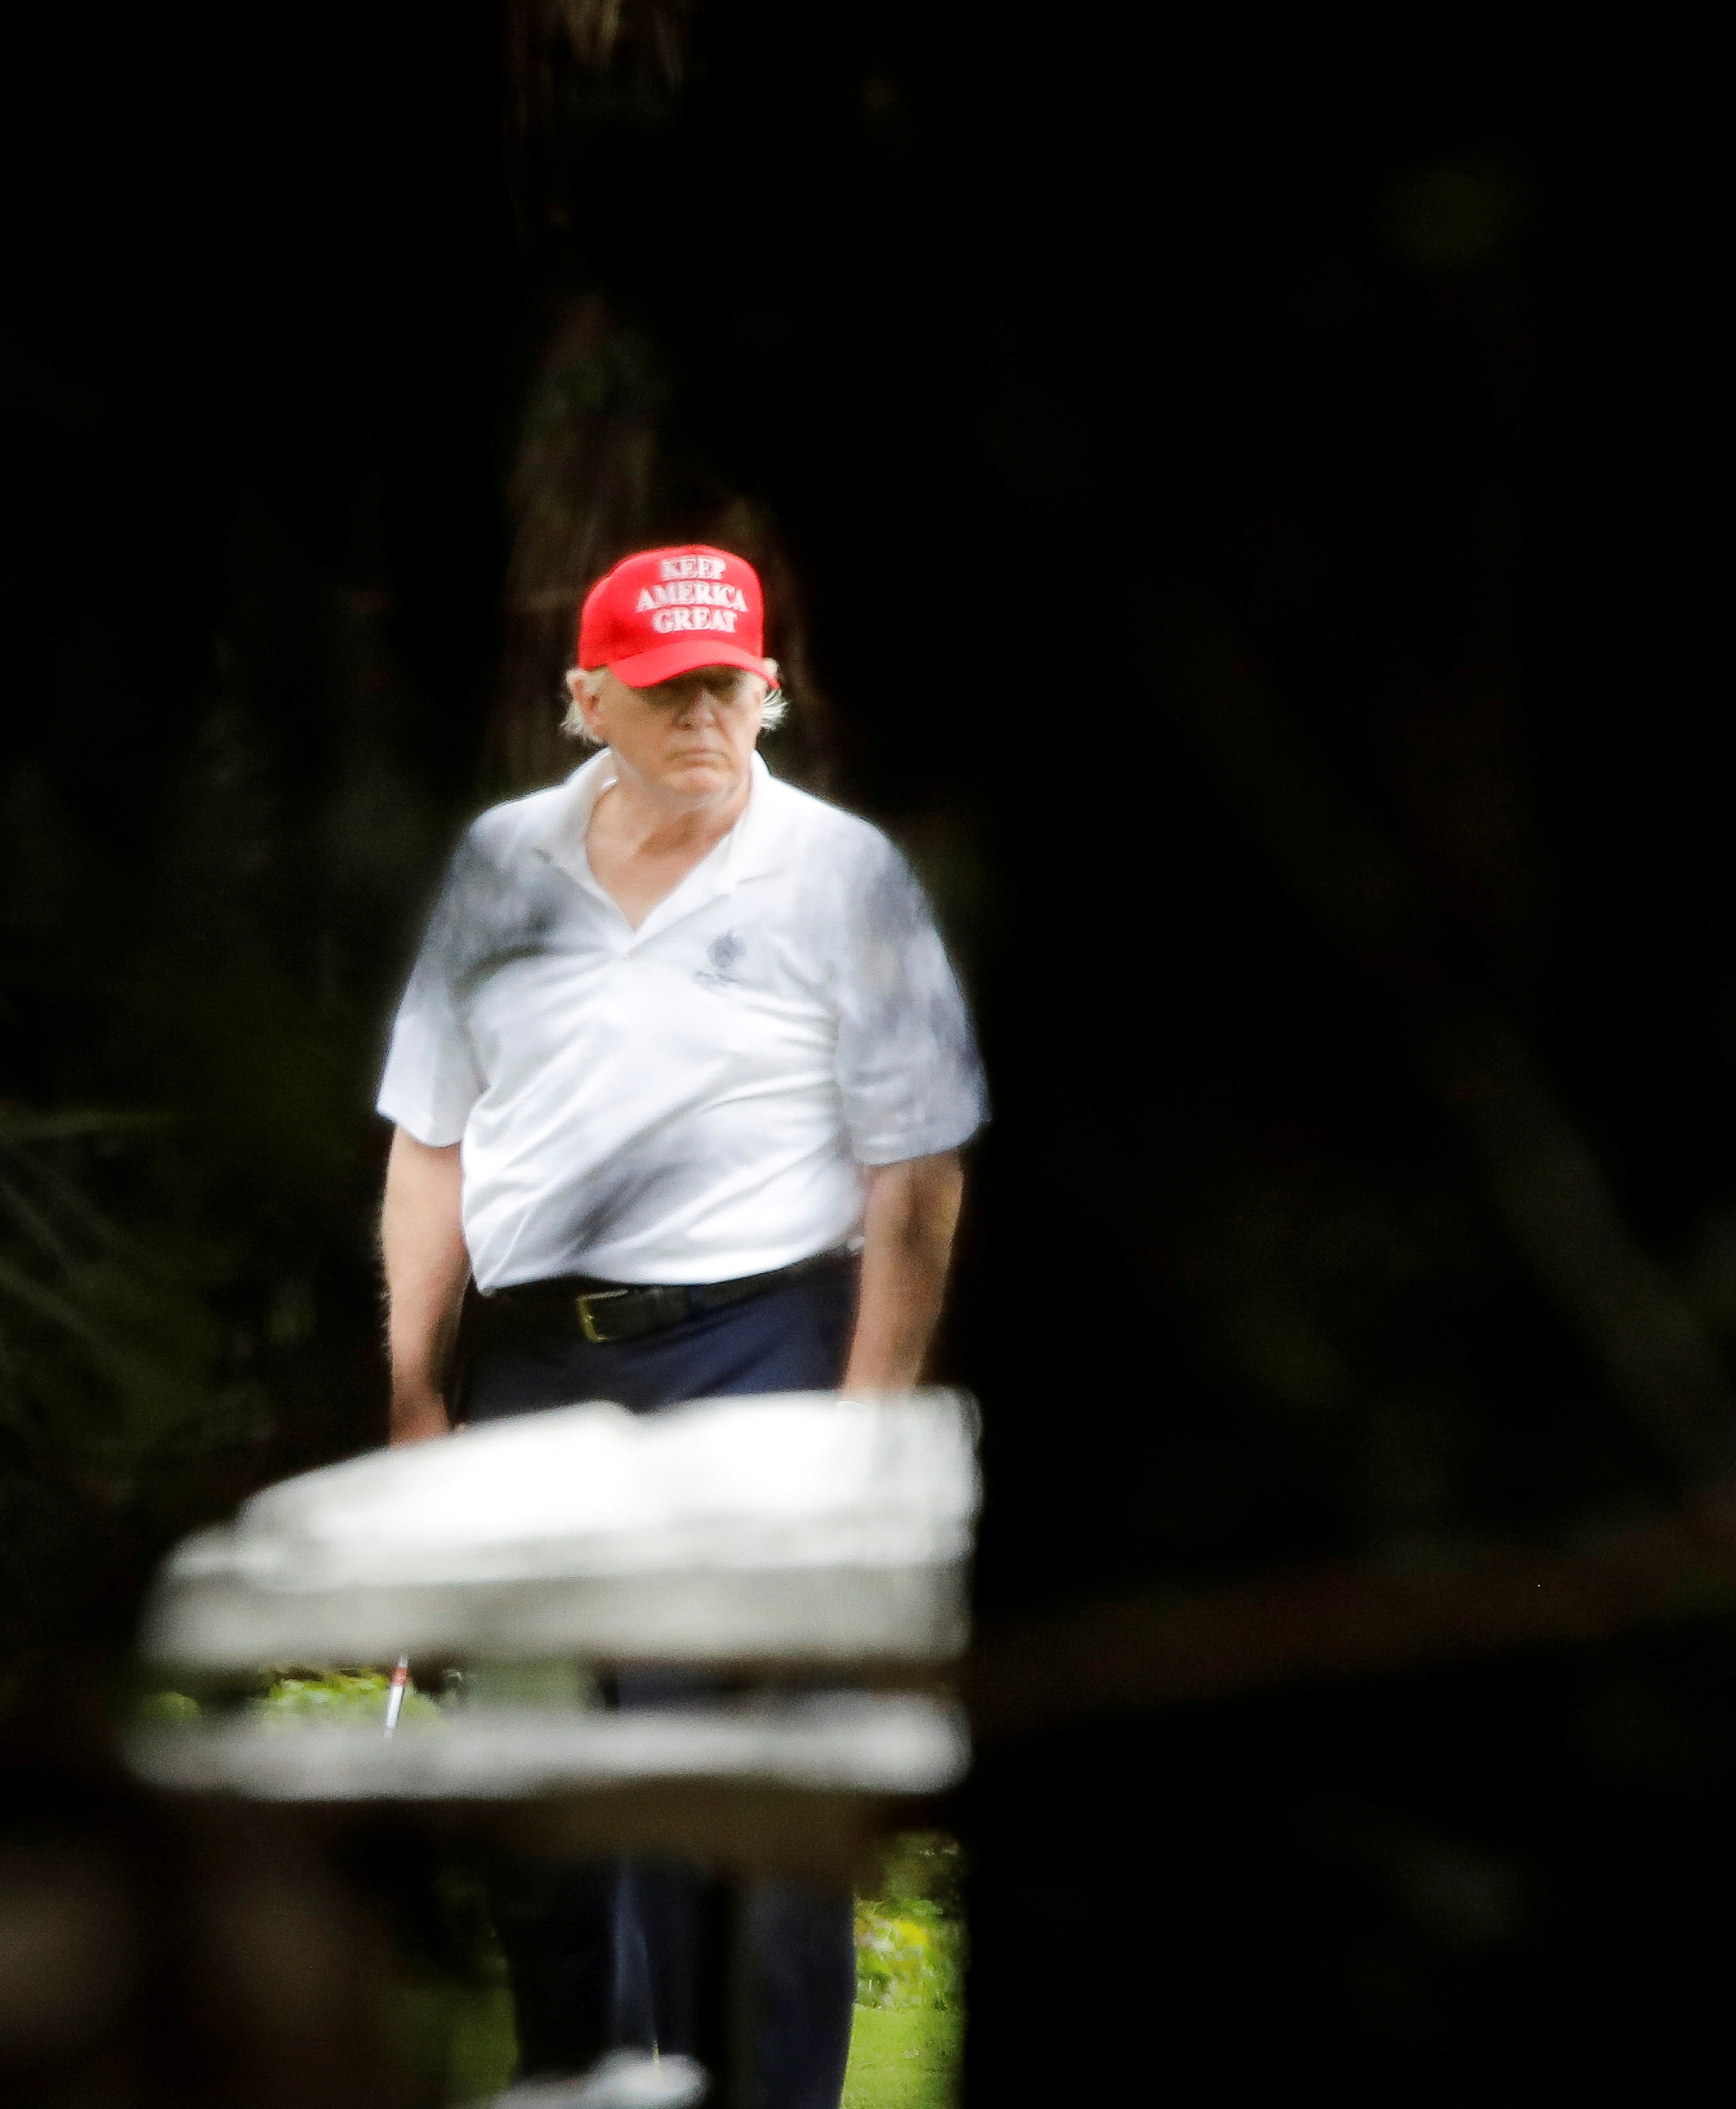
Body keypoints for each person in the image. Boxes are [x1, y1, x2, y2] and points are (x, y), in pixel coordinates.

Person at [373, 543, 984, 2108]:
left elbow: (916, 1167)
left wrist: (867, 1416)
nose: (702, 717)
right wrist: (412, 1400)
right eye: (664, 689)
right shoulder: (501, 863)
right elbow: (431, 1139)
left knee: (742, 1793)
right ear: (588, 699)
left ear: (769, 691)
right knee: (547, 1789)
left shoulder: (845, 874)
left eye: (726, 685)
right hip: (527, 1363)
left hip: (760, 1345)